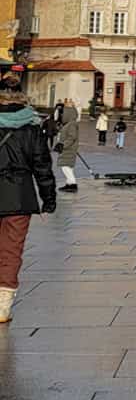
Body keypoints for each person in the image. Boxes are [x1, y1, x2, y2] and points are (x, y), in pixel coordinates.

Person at [0, 73, 57, 323]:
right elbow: (42, 166)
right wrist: (49, 198)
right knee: (11, 250)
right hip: (20, 197)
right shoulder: (33, 128)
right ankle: (2, 307)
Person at [55, 99, 80, 193]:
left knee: (65, 166)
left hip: (68, 149)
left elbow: (72, 137)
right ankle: (69, 183)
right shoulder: (69, 124)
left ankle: (72, 184)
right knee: (68, 166)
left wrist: (63, 145)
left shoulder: (71, 124)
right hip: (67, 148)